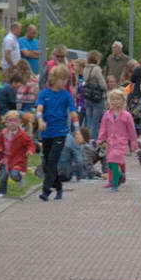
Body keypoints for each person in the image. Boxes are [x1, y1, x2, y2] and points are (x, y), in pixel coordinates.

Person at [36, 64, 82, 202]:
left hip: (60, 132)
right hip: (46, 133)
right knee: (46, 163)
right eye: (62, 79)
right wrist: (40, 121)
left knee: (52, 160)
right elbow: (39, 110)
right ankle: (59, 187)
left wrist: (77, 131)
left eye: (66, 79)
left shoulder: (66, 95)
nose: (64, 82)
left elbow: (73, 114)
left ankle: (45, 191)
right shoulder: (44, 93)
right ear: (54, 78)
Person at [98, 89, 138, 192]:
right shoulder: (107, 114)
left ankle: (115, 184)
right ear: (109, 101)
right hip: (109, 142)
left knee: (113, 160)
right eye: (113, 99)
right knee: (110, 161)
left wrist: (134, 143)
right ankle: (112, 179)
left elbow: (132, 130)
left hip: (121, 142)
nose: (115, 101)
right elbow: (103, 128)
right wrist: (101, 140)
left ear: (123, 101)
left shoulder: (127, 115)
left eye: (118, 99)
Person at [0, 110, 34, 197]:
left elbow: (30, 144)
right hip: (5, 158)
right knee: (3, 176)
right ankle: (1, 192)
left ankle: (19, 179)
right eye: (10, 121)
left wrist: (30, 151)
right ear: (5, 122)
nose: (12, 123)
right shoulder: (3, 133)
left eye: (15, 121)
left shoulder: (22, 135)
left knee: (14, 175)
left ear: (19, 122)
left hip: (17, 159)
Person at [83, 51, 107, 140]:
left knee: (89, 119)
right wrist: (106, 89)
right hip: (97, 97)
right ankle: (93, 140)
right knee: (95, 121)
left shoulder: (85, 68)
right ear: (96, 59)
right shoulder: (96, 69)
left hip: (88, 96)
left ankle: (87, 138)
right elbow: (102, 83)